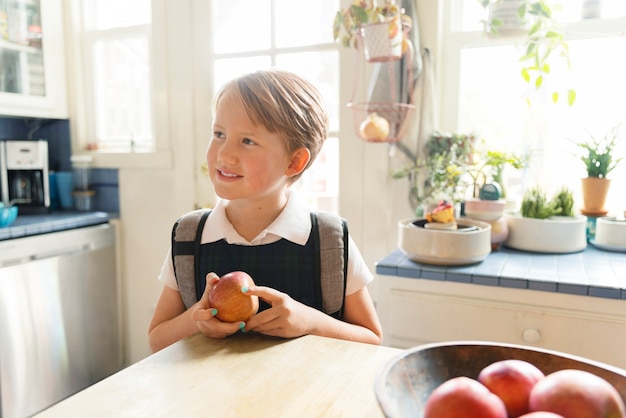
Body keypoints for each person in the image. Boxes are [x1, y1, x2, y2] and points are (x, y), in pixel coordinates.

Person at [148, 69, 383, 353]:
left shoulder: (329, 241)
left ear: (294, 162)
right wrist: (197, 318)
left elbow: (372, 339)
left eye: (247, 141)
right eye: (219, 134)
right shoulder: (189, 237)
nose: (224, 155)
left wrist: (311, 322)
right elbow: (157, 339)